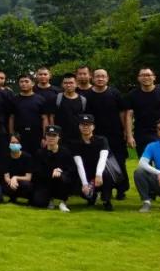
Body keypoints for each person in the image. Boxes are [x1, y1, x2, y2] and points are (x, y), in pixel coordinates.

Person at [87, 68, 129, 199]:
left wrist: (126, 131)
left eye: (103, 76)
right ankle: (98, 189)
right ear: (92, 78)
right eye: (97, 76)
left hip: (115, 134)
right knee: (96, 161)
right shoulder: (88, 95)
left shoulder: (114, 93)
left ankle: (121, 189)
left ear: (107, 78)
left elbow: (123, 113)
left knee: (119, 161)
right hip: (96, 135)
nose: (100, 79)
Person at [126, 67, 160, 160]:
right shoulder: (132, 95)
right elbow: (129, 115)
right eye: (142, 75)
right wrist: (129, 136)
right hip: (140, 133)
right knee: (145, 163)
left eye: (148, 75)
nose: (145, 78)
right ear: (138, 78)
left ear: (154, 77)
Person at [73, 114, 116, 211]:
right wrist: (84, 183)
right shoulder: (76, 144)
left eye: (88, 125)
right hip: (86, 172)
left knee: (106, 174)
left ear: (93, 127)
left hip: (101, 171)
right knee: (77, 184)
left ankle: (106, 200)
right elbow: (79, 164)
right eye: (83, 125)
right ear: (79, 126)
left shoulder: (102, 140)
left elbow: (103, 158)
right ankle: (92, 197)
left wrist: (98, 174)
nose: (85, 127)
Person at [31, 126, 74, 212]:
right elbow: (37, 172)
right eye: (48, 135)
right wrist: (51, 172)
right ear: (45, 136)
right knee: (38, 202)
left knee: (63, 177)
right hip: (45, 183)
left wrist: (60, 171)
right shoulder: (40, 153)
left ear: (59, 137)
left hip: (60, 183)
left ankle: (63, 202)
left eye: (54, 135)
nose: (51, 137)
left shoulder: (65, 152)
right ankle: (49, 199)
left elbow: (71, 170)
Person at [9, 74, 50, 156]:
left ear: (32, 83)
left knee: (37, 158)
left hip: (36, 135)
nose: (23, 84)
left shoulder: (40, 99)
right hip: (19, 135)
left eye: (26, 81)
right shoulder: (14, 99)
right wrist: (12, 135)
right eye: (21, 82)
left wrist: (45, 137)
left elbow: (44, 118)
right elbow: (11, 118)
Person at [53, 73, 87, 143]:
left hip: (78, 137)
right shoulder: (56, 98)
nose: (68, 85)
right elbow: (51, 118)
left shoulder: (83, 100)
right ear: (62, 84)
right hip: (60, 137)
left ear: (76, 84)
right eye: (65, 83)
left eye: (71, 83)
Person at [1, 134, 35, 205]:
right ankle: (12, 198)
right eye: (13, 142)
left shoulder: (27, 157)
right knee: (6, 187)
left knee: (27, 185)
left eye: (17, 142)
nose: (15, 144)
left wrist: (15, 177)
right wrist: (11, 181)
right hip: (10, 183)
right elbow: (6, 177)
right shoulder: (5, 157)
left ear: (20, 144)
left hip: (23, 182)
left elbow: (28, 178)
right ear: (9, 144)